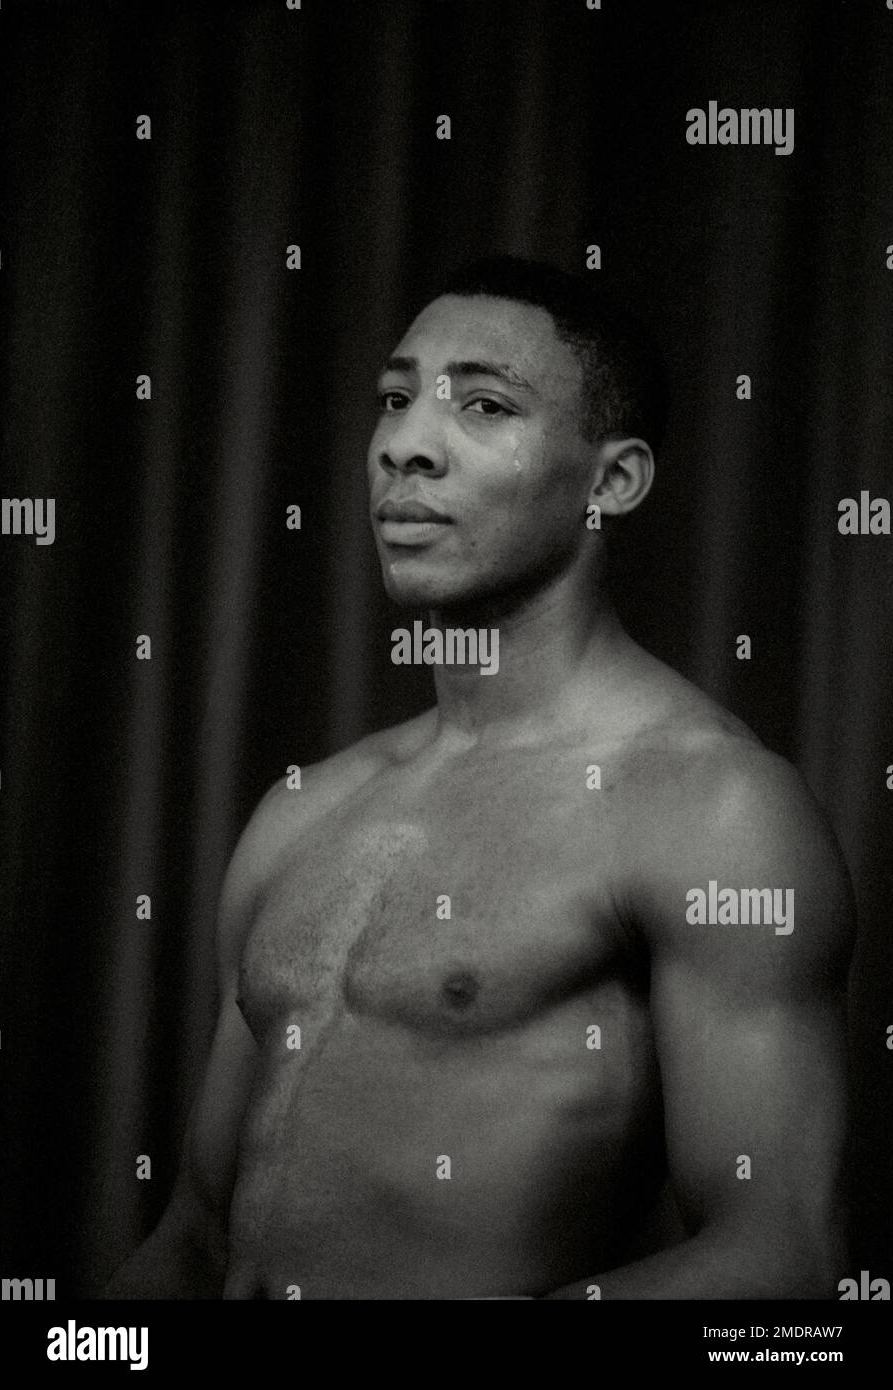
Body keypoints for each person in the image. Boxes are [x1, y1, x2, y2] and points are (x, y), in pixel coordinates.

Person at [103, 256, 854, 1299]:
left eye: (483, 405)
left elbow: (781, 1257)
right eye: (396, 399)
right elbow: (193, 1235)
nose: (405, 446)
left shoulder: (706, 806)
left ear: (611, 482)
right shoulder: (306, 808)